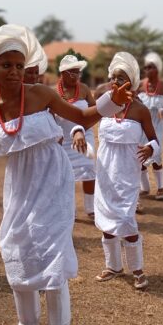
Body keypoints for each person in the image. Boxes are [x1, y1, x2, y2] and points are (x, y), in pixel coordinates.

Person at [0, 24, 132, 325]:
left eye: (19, 64)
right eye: (6, 65)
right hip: (20, 184)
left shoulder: (41, 94)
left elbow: (81, 118)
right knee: (16, 243)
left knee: (50, 245)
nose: (14, 71)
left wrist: (108, 103)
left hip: (52, 178)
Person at [94, 52, 159, 289]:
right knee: (105, 219)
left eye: (122, 79)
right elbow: (81, 121)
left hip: (127, 171)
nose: (117, 83)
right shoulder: (103, 103)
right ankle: (113, 266)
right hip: (104, 170)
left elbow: (154, 140)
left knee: (126, 219)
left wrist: (151, 150)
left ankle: (138, 270)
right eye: (114, 78)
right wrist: (77, 133)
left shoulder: (140, 110)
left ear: (131, 81)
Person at [54, 54, 97, 218]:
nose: (76, 76)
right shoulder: (52, 92)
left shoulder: (85, 89)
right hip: (62, 139)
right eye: (72, 72)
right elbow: (49, 117)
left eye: (78, 72)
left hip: (85, 135)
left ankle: (90, 208)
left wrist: (83, 129)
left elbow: (94, 112)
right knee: (65, 174)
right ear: (62, 73)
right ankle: (68, 209)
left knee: (89, 168)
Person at [138, 52, 163, 200]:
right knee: (140, 155)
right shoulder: (139, 85)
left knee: (156, 155)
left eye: (150, 67)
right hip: (141, 125)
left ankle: (161, 187)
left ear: (157, 69)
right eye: (145, 67)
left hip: (157, 125)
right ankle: (144, 188)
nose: (147, 70)